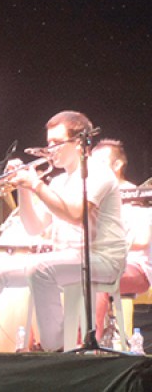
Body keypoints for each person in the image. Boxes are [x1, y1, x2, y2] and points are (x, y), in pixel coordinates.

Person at [0, 110, 126, 351]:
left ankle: (56, 349)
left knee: (40, 269)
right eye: (48, 142)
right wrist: (24, 188)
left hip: (103, 259)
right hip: (69, 258)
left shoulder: (97, 172)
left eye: (56, 142)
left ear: (78, 143)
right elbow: (34, 227)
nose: (49, 149)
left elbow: (76, 215)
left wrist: (36, 184)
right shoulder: (59, 182)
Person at [90, 139, 152, 343]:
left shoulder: (137, 197)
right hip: (100, 262)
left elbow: (142, 240)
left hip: (135, 268)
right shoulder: (94, 198)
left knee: (95, 277)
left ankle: (91, 344)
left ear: (117, 165)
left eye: (100, 163)